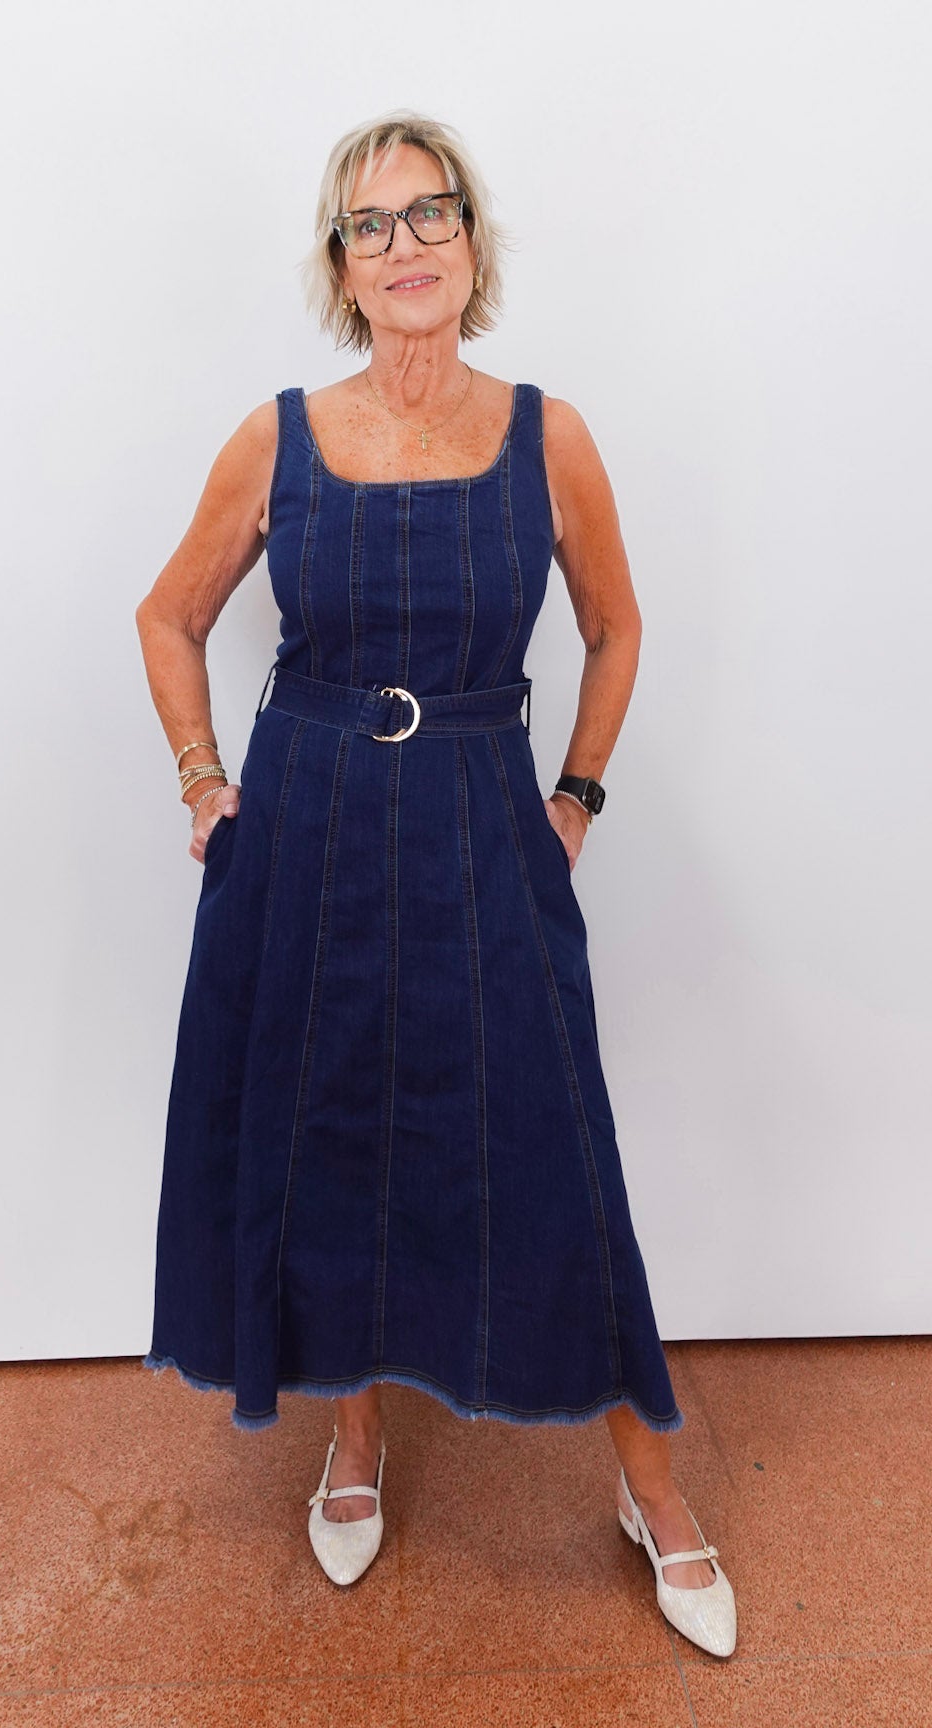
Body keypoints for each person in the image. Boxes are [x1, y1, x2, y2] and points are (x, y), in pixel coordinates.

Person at [136, 110, 736, 1658]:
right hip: (309, 824)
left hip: (484, 819)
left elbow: (615, 627)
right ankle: (352, 1439)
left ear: (474, 243)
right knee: (329, 1130)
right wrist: (208, 787)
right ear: (339, 268)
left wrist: (575, 800)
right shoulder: (276, 436)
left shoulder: (553, 435)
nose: (404, 246)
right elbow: (168, 615)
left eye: (430, 214)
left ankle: (652, 1490)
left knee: (553, 1150)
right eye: (369, 225)